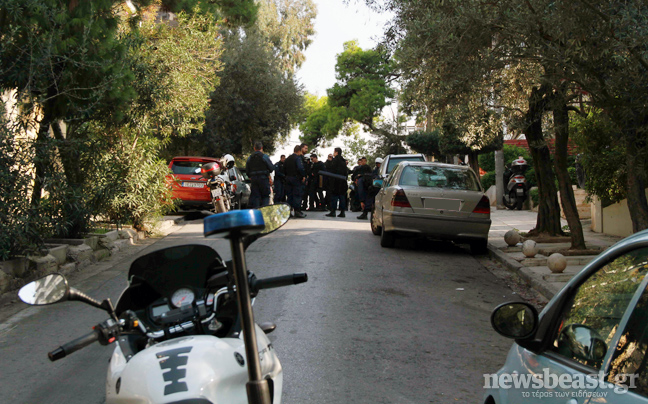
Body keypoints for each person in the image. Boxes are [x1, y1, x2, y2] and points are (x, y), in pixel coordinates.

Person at [245, 141, 274, 208]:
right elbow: (271, 168)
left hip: (254, 180)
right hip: (263, 179)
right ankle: (264, 211)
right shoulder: (264, 157)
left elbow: (247, 170)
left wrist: (250, 176)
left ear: (254, 148)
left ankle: (256, 211)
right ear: (262, 148)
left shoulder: (250, 158)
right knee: (265, 196)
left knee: (256, 197)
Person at [325, 147, 349, 218]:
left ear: (336, 152)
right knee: (342, 197)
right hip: (343, 182)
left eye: (334, 152)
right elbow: (346, 172)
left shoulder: (335, 161)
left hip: (335, 182)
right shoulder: (343, 161)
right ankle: (342, 212)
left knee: (334, 197)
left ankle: (333, 211)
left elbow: (332, 170)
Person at [284, 145, 307, 218]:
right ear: (299, 151)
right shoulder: (297, 158)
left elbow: (284, 168)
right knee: (297, 195)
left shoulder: (288, 158)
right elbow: (300, 168)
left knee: (289, 196)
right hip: (296, 179)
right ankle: (297, 211)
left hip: (288, 178)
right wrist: (303, 176)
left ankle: (288, 212)